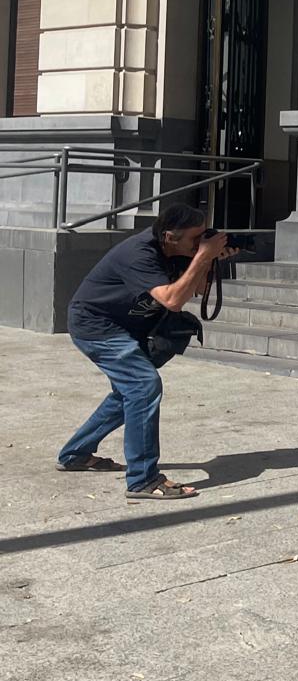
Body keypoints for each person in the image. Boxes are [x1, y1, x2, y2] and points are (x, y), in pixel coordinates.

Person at [56, 203, 234, 499]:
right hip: (96, 325)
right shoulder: (140, 254)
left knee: (128, 394)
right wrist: (204, 254)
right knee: (143, 386)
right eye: (196, 237)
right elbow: (173, 300)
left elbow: (198, 290)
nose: (201, 242)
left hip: (132, 327)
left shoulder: (181, 251)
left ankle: (76, 453)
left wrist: (209, 259)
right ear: (169, 237)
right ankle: (143, 480)